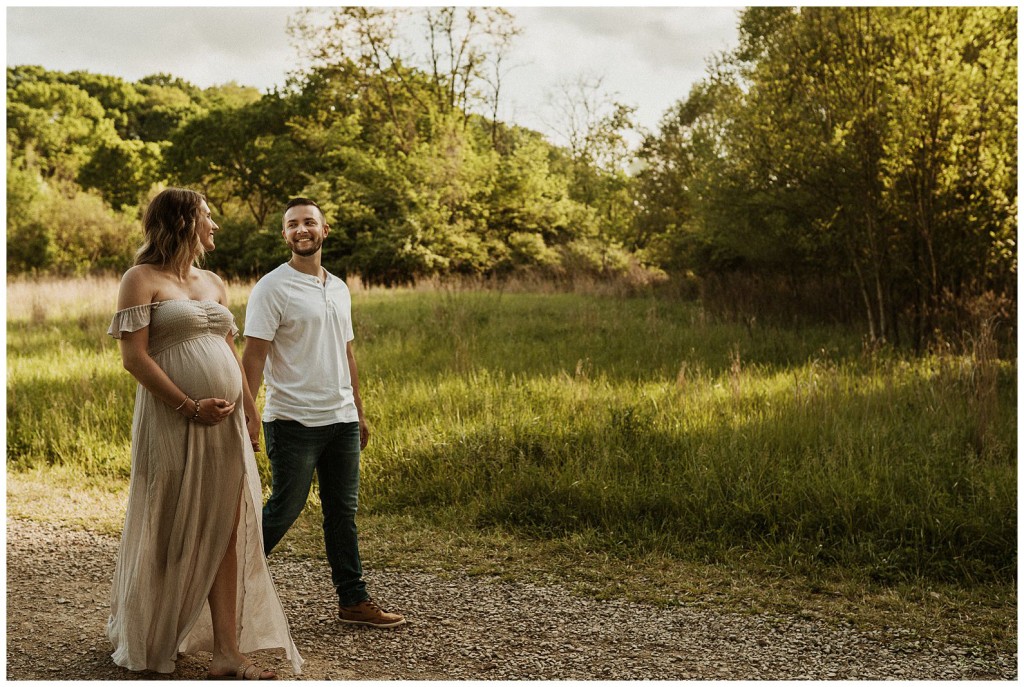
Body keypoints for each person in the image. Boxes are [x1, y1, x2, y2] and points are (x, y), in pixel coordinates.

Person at [107, 187, 302, 679]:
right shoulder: (141, 279)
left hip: (225, 421)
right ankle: (156, 633)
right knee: (171, 520)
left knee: (226, 527)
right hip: (173, 419)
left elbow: (228, 352)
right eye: (207, 216)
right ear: (181, 222)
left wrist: (250, 410)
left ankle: (227, 652)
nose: (214, 225)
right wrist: (189, 405)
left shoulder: (214, 282)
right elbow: (134, 357)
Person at [242, 197, 405, 628]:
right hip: (293, 421)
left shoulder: (338, 287)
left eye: (309, 222)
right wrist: (249, 414)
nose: (301, 230)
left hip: (342, 420)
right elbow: (253, 357)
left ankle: (353, 601)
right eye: (292, 224)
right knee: (283, 509)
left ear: (324, 230)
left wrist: (359, 411)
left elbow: (346, 353)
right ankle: (224, 586)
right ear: (284, 234)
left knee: (341, 513)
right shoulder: (271, 287)